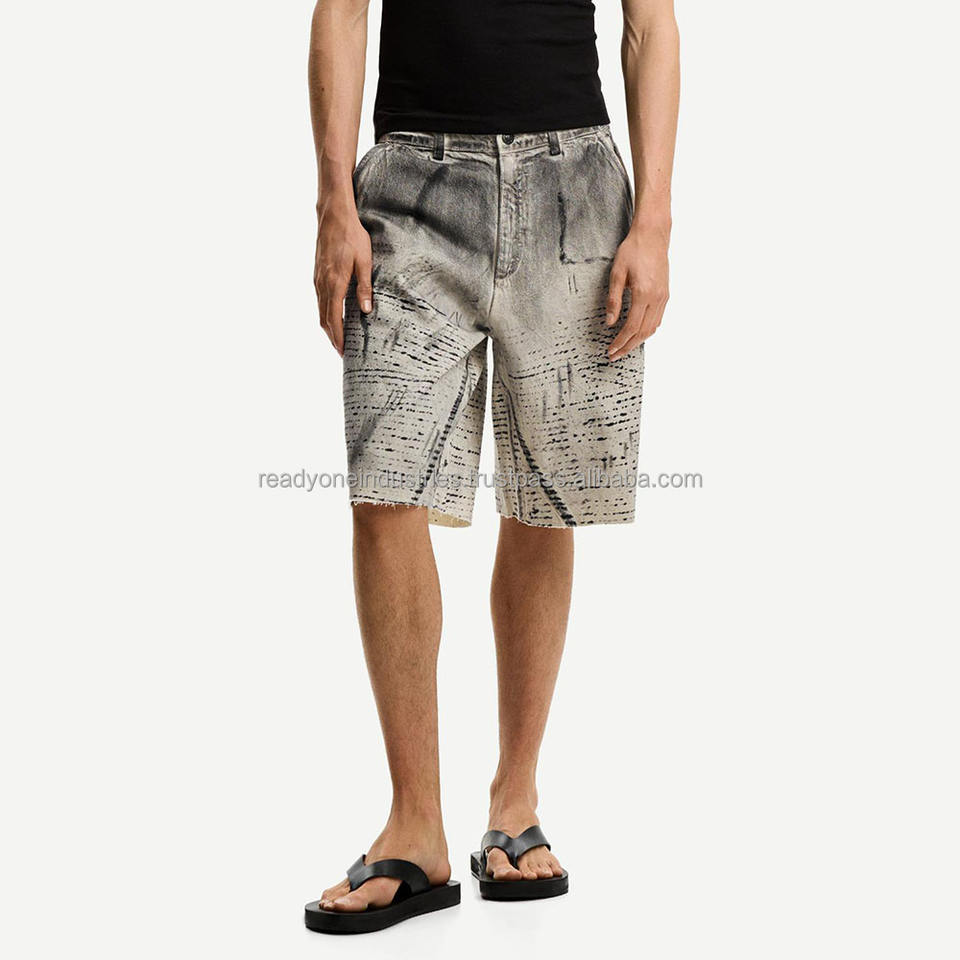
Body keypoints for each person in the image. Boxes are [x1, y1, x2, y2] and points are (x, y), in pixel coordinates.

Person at [304, 0, 679, 934]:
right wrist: (333, 203)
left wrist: (655, 223)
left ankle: (515, 802)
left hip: (575, 187)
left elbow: (650, 25)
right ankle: (416, 826)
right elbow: (341, 9)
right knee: (383, 488)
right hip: (408, 187)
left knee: (543, 497)